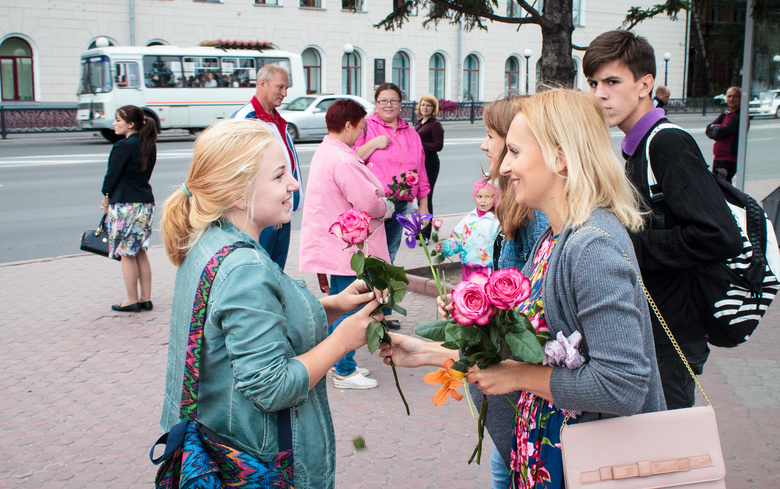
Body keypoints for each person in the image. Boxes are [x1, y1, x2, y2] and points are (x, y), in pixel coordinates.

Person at [380, 89, 665, 487]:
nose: (503, 166)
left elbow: (623, 385)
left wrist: (516, 378)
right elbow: (530, 351)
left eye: (514, 151)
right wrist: (430, 352)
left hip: (588, 465)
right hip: (555, 454)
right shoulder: (557, 235)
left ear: (561, 157)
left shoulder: (591, 247)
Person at [159, 119, 385, 488]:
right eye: (280, 176)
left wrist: (333, 305)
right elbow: (272, 386)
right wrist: (342, 341)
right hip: (259, 460)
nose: (294, 185)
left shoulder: (209, 242)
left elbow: (249, 326)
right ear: (239, 194)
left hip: (219, 435)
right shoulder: (245, 268)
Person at [584, 30, 742, 410]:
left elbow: (719, 235)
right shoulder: (637, 148)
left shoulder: (666, 143)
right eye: (593, 83)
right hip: (653, 332)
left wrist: (630, 246)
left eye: (612, 82)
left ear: (645, 85)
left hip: (672, 336)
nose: (599, 94)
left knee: (666, 458)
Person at [479, 96, 550, 488]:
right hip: (518, 380)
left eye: (491, 136)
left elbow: (538, 303)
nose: (485, 146)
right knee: (501, 464)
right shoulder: (515, 206)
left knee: (505, 467)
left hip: (528, 381)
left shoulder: (536, 214)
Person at [299, 99, 395, 390]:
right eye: (361, 127)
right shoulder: (341, 159)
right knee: (351, 308)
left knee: (341, 306)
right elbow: (367, 202)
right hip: (347, 247)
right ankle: (344, 368)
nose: (362, 133)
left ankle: (338, 364)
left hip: (335, 243)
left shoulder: (328, 150)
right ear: (348, 125)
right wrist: (386, 208)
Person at [354, 82, 430, 330]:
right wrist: (375, 144)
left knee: (389, 258)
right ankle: (366, 309)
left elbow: (420, 170)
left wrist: (424, 207)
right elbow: (353, 158)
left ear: (401, 103)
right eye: (383, 101)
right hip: (373, 204)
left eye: (393, 100)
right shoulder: (366, 127)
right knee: (369, 258)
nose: (388, 105)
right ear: (375, 104)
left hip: (399, 205)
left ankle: (383, 312)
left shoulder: (411, 134)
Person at [232, 64, 303, 270]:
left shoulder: (278, 119)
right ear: (262, 83)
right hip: (261, 213)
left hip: (282, 209)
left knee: (275, 271)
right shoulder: (246, 119)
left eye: (286, 88)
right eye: (280, 87)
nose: (284, 93)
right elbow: (238, 169)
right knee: (258, 269)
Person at [100, 105, 157, 313]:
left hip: (125, 204)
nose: (114, 123)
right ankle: (145, 299)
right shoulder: (149, 144)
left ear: (130, 124)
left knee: (126, 253)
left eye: (118, 120)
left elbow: (111, 177)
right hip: (145, 203)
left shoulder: (122, 147)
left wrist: (106, 198)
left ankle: (131, 299)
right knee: (140, 251)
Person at [435, 180, 500, 281]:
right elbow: (457, 239)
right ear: (474, 197)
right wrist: (445, 246)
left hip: (488, 269)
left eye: (487, 197)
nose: (483, 201)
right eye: (479, 197)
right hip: (468, 269)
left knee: (485, 294)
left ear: (494, 199)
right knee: (468, 294)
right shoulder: (468, 219)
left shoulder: (496, 221)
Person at [414, 94, 445, 242]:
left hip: (430, 164)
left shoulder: (435, 125)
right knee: (416, 197)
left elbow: (438, 146)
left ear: (433, 108)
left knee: (426, 197)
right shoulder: (419, 122)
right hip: (418, 163)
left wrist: (419, 144)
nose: (425, 107)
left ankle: (426, 234)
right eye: (423, 104)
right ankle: (417, 230)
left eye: (428, 105)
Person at [706, 86, 742, 183]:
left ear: (740, 98)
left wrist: (716, 128)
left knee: (723, 188)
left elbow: (719, 133)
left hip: (728, 160)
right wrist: (716, 128)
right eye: (729, 96)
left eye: (735, 96)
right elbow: (708, 130)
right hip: (718, 158)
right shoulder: (725, 115)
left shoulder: (739, 117)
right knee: (719, 187)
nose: (731, 99)